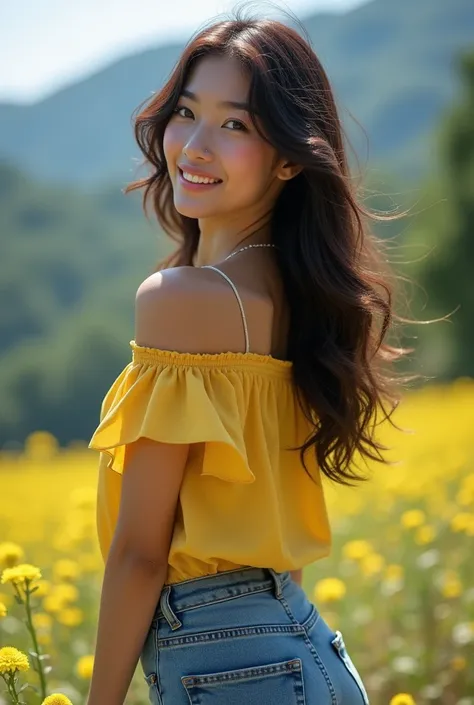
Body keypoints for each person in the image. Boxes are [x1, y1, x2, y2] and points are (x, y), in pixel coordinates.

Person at [86, 6, 416, 705]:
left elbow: (141, 552)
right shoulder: (296, 294)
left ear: (291, 156)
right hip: (299, 647)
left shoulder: (184, 297)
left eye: (235, 125)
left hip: (232, 665)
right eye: (186, 112)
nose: (194, 146)